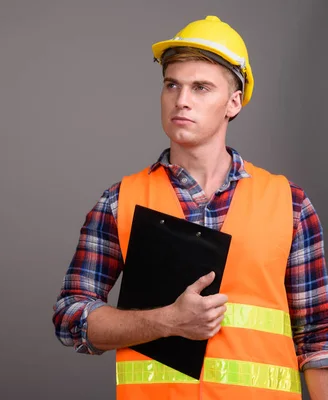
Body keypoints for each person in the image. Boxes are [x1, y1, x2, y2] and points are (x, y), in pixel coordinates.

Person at [52, 15, 328, 400]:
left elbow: (319, 340)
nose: (182, 100)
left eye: (201, 88)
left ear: (233, 102)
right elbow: (70, 316)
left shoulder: (290, 204)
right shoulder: (120, 201)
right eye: (172, 85)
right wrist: (167, 321)